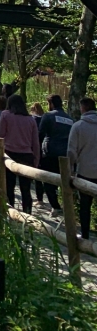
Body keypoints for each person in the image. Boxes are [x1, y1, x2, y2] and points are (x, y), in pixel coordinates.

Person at [0, 94, 40, 213]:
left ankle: (9, 212)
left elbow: (1, 135)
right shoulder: (31, 120)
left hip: (9, 154)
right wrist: (36, 159)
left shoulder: (5, 115)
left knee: (9, 187)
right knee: (26, 189)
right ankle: (27, 215)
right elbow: (35, 142)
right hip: (27, 155)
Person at [67, 96, 97, 239]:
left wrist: (70, 169)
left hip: (85, 171)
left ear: (83, 108)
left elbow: (71, 151)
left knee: (85, 205)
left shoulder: (78, 126)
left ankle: (85, 235)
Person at [38, 94, 73, 213]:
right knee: (63, 181)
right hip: (64, 154)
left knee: (48, 180)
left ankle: (55, 206)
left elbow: (41, 133)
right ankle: (66, 206)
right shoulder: (70, 119)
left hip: (50, 152)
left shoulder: (48, 116)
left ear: (51, 104)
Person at [30, 102, 45, 205]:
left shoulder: (32, 120)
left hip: (36, 148)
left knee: (37, 174)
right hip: (45, 149)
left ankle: (39, 199)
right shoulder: (44, 119)